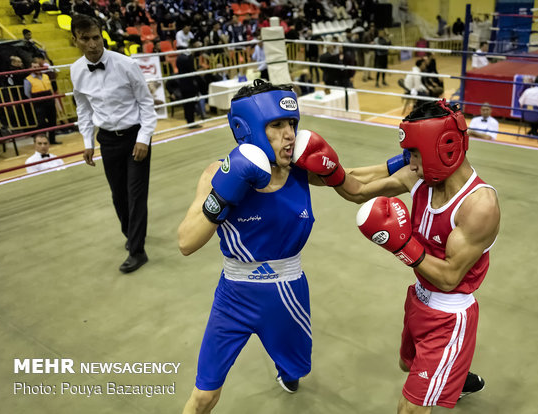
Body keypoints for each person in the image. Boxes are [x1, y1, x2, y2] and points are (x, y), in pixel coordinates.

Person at [316, 99, 499, 413]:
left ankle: (449, 369)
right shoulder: (419, 179)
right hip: (418, 300)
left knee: (410, 408)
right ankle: (455, 375)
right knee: (406, 363)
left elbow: (449, 276)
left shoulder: (479, 206)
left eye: (415, 154)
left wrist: (403, 247)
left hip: (450, 316)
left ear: (443, 148)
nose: (410, 164)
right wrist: (324, 170)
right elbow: (358, 190)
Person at [178, 79, 347, 413]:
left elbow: (354, 183)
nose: (290, 134)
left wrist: (403, 165)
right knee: (204, 394)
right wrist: (223, 194)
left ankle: (287, 371)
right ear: (249, 129)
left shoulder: (300, 170)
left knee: (297, 370)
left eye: (292, 124)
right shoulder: (218, 172)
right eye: (277, 125)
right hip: (233, 296)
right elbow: (186, 242)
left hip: (287, 293)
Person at [70, 14, 157, 273]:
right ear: (75, 40)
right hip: (107, 139)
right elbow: (83, 109)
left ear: (102, 36)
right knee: (118, 195)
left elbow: (146, 103)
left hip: (135, 136)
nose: (93, 44)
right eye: (85, 39)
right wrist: (87, 142)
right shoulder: (76, 70)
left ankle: (137, 250)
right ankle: (131, 235)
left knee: (136, 194)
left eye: (96, 37)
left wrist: (144, 138)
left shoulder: (125, 64)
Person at [24, 57, 59, 145]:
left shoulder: (45, 76)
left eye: (37, 66)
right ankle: (43, 141)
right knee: (42, 123)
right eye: (34, 67)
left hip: (49, 100)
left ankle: (52, 140)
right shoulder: (28, 79)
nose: (36, 69)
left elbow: (50, 87)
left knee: (52, 121)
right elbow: (27, 93)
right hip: (39, 102)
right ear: (31, 68)